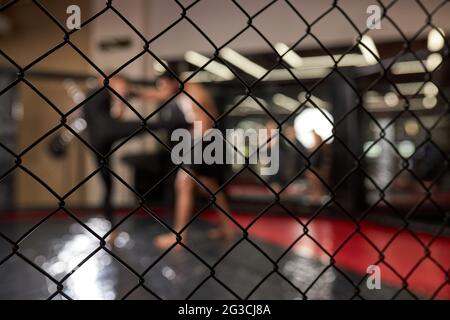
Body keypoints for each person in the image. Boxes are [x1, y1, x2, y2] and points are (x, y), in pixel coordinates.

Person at [141, 71, 235, 250]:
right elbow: (159, 94)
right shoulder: (180, 91)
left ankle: (179, 236)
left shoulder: (193, 92)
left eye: (165, 85)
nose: (163, 91)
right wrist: (132, 91)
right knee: (210, 186)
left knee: (183, 182)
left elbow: (205, 122)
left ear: (173, 81)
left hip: (206, 142)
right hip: (207, 142)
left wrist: (192, 145)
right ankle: (226, 227)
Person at [83, 75, 141, 236]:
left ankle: (112, 229)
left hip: (98, 141)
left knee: (108, 185)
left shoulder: (100, 97)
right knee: (108, 185)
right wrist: (122, 96)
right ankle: (112, 229)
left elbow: (115, 120)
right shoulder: (99, 93)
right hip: (101, 139)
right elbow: (113, 122)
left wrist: (122, 101)